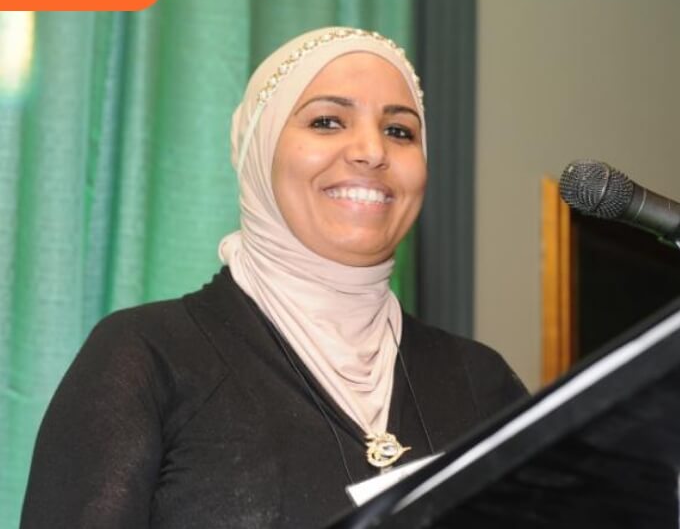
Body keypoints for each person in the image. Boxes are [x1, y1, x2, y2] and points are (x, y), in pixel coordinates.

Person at [20, 27, 527, 529]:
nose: (372, 151)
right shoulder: (146, 357)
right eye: (328, 121)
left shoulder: (481, 382)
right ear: (258, 151)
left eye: (400, 131)